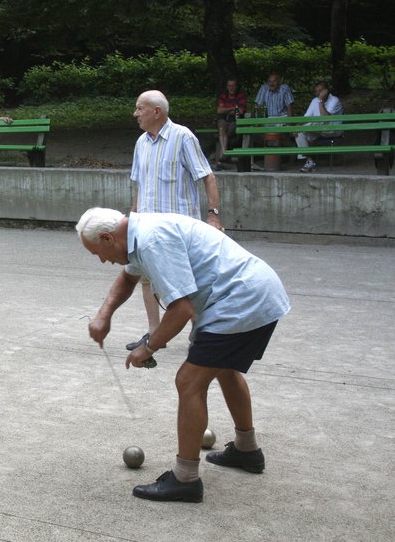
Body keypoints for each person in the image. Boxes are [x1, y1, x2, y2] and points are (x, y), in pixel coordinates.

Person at [78, 207, 290, 503]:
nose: (102, 260)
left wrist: (147, 347)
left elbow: (181, 309)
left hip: (242, 299)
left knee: (189, 380)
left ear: (107, 237)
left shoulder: (151, 242)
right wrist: (104, 315)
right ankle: (247, 450)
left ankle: (185, 479)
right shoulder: (137, 235)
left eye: (98, 253)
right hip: (253, 292)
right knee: (225, 369)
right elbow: (127, 279)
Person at [125, 90, 222, 352]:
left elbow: (208, 176)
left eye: (139, 108)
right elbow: (140, 187)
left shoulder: (183, 137)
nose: (135, 114)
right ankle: (155, 334)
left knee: (190, 284)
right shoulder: (141, 143)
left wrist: (212, 214)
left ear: (156, 111)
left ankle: (199, 334)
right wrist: (131, 221)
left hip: (180, 231)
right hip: (147, 228)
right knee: (146, 279)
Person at [296, 81, 343, 173]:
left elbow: (325, 118)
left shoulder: (334, 100)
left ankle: (303, 128)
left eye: (320, 91)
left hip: (332, 130)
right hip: (317, 130)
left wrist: (321, 101)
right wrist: (297, 126)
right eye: (316, 91)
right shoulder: (314, 100)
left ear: (326, 90)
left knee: (315, 123)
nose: (318, 94)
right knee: (299, 132)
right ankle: (309, 161)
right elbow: (306, 118)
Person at [213, 78, 247, 170]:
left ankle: (221, 160)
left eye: (233, 86)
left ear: (236, 87)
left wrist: (227, 109)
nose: (231, 88)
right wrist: (233, 108)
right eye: (229, 86)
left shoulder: (241, 96)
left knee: (229, 131)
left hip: (235, 121)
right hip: (224, 121)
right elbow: (219, 110)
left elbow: (240, 110)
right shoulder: (223, 96)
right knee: (221, 127)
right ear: (227, 87)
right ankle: (224, 155)